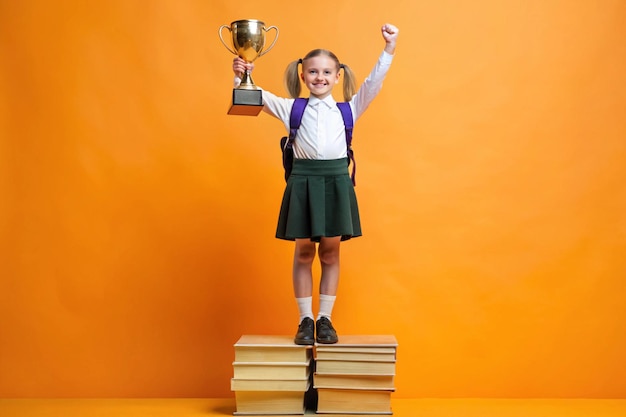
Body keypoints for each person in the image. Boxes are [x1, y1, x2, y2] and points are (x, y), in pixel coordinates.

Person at [232, 24, 399, 345]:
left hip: (336, 182)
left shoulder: (350, 108)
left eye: (326, 72)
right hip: (304, 182)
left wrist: (389, 49)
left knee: (332, 254)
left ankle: (325, 319)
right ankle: (305, 320)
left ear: (338, 77)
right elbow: (253, 97)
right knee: (304, 251)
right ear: (303, 75)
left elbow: (373, 82)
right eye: (312, 71)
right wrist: (241, 74)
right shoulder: (290, 107)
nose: (319, 77)